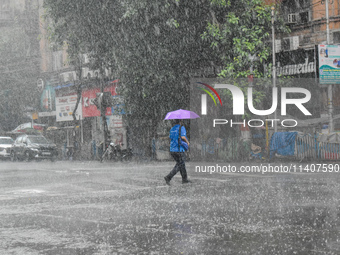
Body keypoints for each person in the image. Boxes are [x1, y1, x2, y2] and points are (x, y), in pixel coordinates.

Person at [164, 119, 191, 185]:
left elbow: (170, 137)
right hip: (179, 150)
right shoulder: (181, 127)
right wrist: (187, 142)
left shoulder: (172, 129)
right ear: (180, 121)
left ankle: (184, 179)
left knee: (181, 164)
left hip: (172, 150)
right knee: (180, 164)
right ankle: (168, 177)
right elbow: (183, 137)